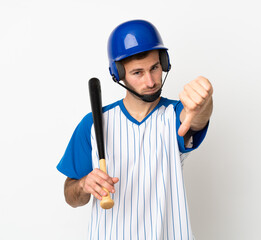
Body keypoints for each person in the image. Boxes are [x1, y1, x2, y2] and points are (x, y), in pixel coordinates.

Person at [57, 19, 213, 240]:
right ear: (119, 74)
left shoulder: (174, 114)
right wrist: (83, 184)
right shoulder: (93, 124)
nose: (150, 81)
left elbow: (195, 118)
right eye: (138, 72)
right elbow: (71, 196)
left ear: (164, 64)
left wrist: (204, 101)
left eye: (155, 68)